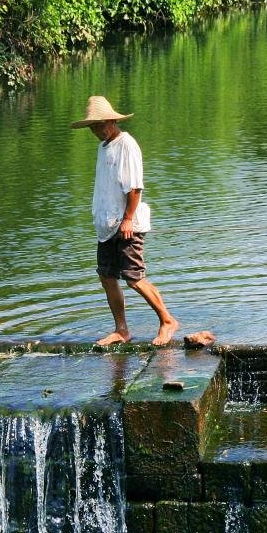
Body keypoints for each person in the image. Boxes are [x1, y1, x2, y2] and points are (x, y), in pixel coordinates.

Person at [71, 95, 178, 347]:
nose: (95, 131)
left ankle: (167, 320)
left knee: (133, 277)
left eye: (99, 125)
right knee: (107, 276)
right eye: (92, 127)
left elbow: (134, 188)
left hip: (126, 223)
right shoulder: (104, 146)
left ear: (111, 120)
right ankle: (122, 330)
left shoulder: (126, 144)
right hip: (107, 226)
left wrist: (128, 219)